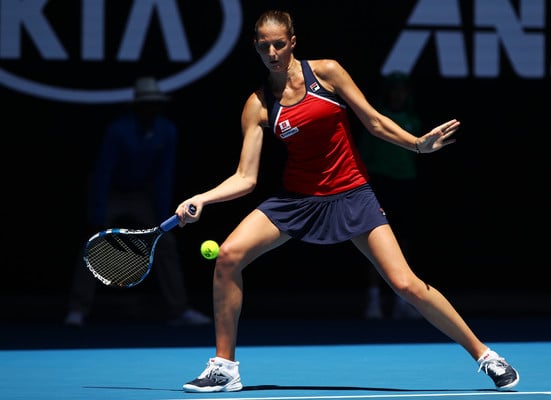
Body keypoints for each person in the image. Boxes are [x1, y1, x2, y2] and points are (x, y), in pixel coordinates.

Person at [174, 10, 519, 392]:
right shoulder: (257, 105)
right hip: (297, 199)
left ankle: (487, 356)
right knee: (228, 256)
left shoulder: (327, 73)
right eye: (263, 46)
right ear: (255, 48)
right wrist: (202, 198)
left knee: (406, 285)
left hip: (351, 193)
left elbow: (373, 121)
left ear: (292, 43)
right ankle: (225, 367)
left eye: (278, 44)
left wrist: (417, 145)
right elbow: (246, 177)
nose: (271, 52)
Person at [64, 76, 211, 327]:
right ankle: (77, 309)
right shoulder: (118, 130)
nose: (150, 108)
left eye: (155, 103)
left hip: (142, 195)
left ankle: (179, 310)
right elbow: (103, 172)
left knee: (166, 242)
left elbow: (165, 174)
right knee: (93, 242)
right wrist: (98, 211)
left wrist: (163, 214)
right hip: (113, 193)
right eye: (146, 103)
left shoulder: (167, 131)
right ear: (137, 106)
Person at [357, 72, 422, 320]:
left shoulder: (413, 122)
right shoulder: (376, 123)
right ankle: (373, 301)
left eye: (402, 90)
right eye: (394, 90)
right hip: (378, 185)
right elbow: (363, 156)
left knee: (402, 244)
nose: (398, 94)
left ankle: (402, 301)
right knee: (374, 246)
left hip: (404, 186)